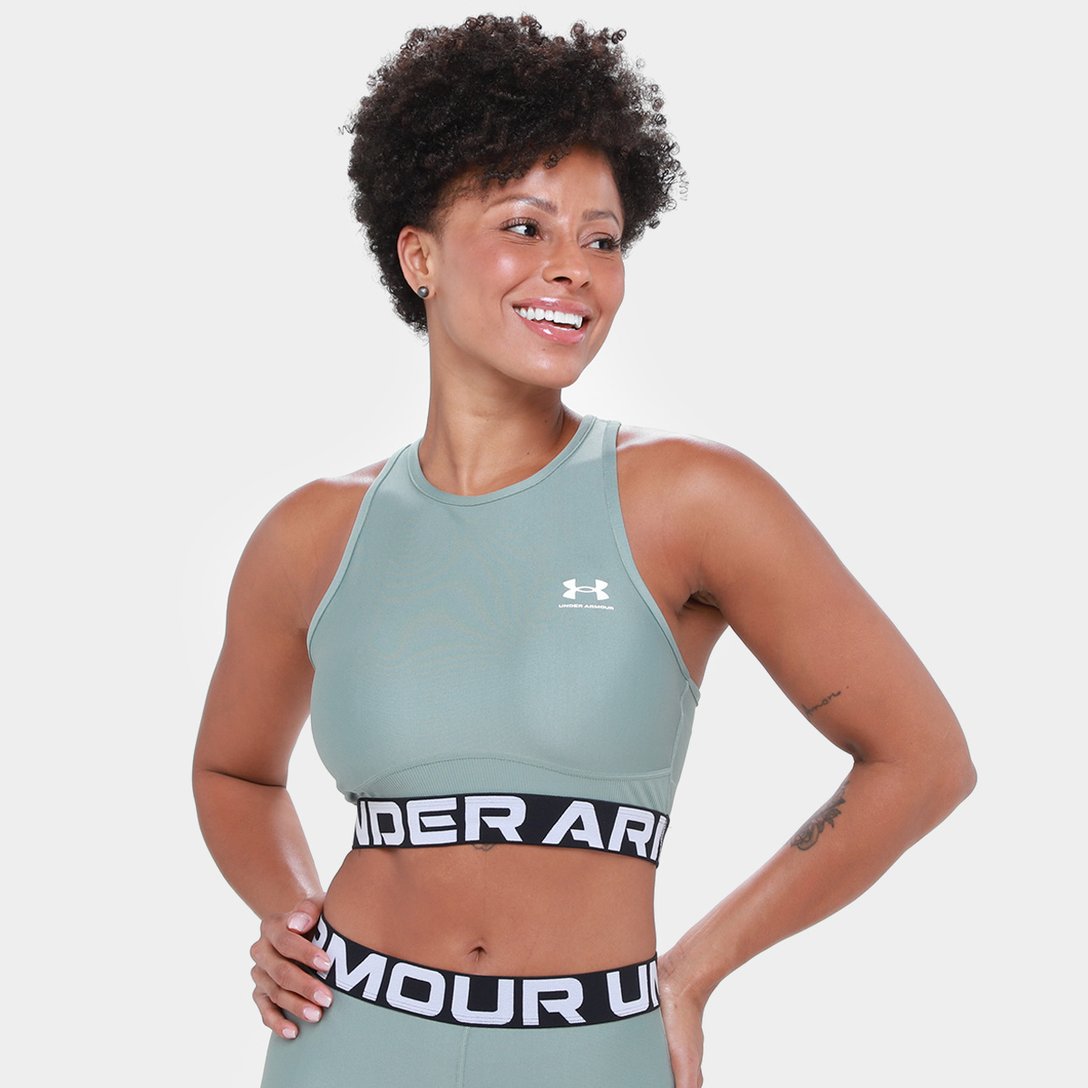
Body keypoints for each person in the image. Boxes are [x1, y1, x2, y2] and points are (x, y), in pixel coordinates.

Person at [192, 14, 976, 1087]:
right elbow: (233, 770)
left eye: (601, 241)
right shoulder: (311, 535)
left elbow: (921, 761)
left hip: (592, 1052)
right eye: (525, 226)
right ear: (418, 256)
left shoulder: (691, 500)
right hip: (348, 1042)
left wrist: (692, 972)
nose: (572, 269)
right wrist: (288, 911)